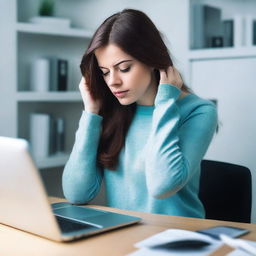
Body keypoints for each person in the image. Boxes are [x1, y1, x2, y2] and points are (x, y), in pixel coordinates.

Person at [62, 9, 217, 218]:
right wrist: (91, 113)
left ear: (152, 59)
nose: (112, 82)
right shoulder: (112, 111)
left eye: (124, 68)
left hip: (178, 239)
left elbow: (162, 186)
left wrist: (164, 102)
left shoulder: (199, 111)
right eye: (105, 72)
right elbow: (76, 193)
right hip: (125, 237)